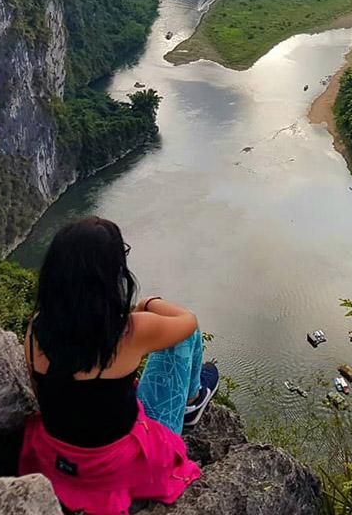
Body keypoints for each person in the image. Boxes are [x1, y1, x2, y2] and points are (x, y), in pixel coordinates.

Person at [18, 217, 220, 515]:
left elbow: (42, 393)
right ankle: (192, 402)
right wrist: (149, 303)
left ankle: (189, 400)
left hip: (57, 456)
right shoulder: (128, 330)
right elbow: (187, 322)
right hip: (115, 466)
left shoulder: (37, 328)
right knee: (182, 341)